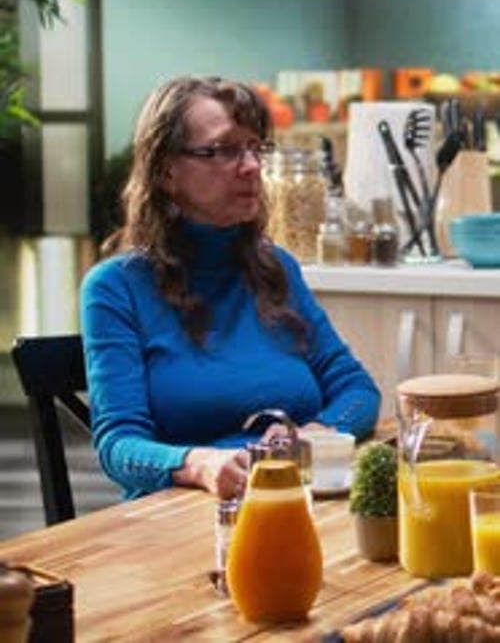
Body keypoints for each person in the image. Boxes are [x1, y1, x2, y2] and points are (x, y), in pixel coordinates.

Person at [81, 75, 381, 502]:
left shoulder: (276, 270)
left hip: (287, 503)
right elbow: (118, 446)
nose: (252, 166)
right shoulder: (116, 288)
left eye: (256, 148)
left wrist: (320, 433)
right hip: (169, 526)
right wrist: (198, 464)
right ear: (166, 171)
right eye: (224, 150)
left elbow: (357, 389)